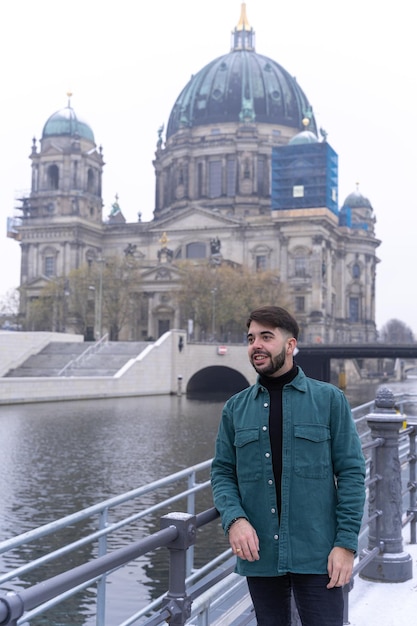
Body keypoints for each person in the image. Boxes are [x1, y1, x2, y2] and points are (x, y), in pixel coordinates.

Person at [211, 306, 366, 626]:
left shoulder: (329, 400)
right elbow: (222, 471)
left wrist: (346, 544)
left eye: (267, 337)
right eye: (251, 338)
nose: (257, 345)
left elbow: (351, 472)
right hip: (260, 554)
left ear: (290, 345)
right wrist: (234, 519)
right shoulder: (235, 409)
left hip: (319, 552)